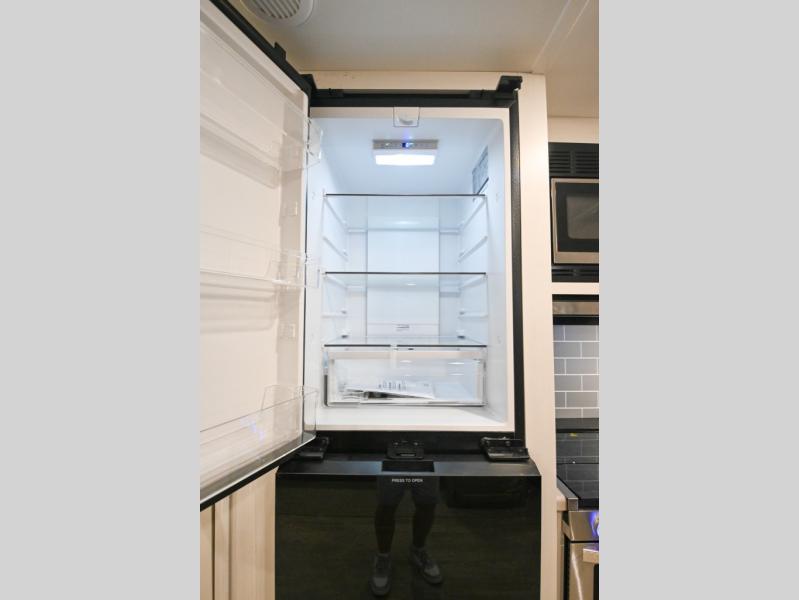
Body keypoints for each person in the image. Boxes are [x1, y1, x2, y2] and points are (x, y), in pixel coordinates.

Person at [370, 475, 443, 597]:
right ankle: (383, 556)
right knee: (386, 504)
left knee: (427, 503)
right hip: (392, 464)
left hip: (426, 464)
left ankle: (418, 550)